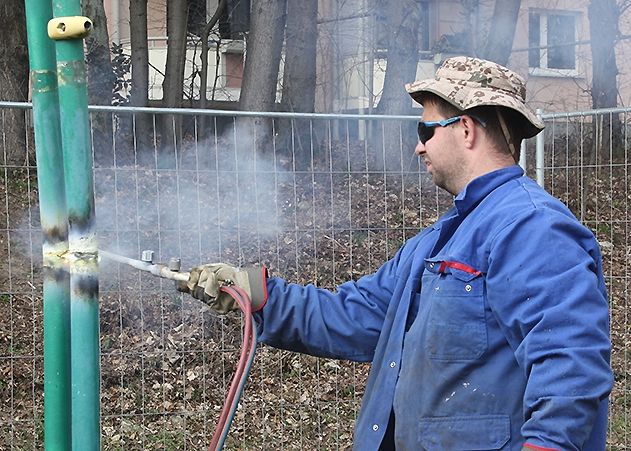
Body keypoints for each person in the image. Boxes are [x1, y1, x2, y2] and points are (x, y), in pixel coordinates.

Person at [180, 57, 613, 451]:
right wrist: (260, 295)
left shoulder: (532, 228)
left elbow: (569, 371)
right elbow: (359, 314)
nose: (419, 146)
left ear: (466, 130)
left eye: (426, 129)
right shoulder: (438, 241)